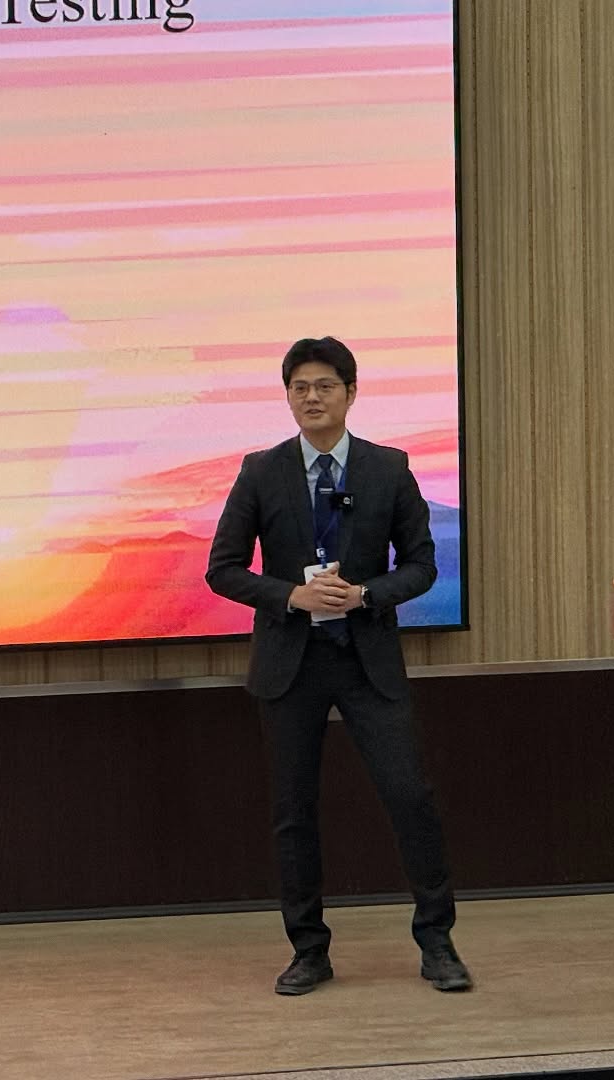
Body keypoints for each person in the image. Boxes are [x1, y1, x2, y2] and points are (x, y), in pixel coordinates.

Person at [205, 335, 471, 995]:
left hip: (365, 659)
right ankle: (309, 950)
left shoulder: (388, 468)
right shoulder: (260, 472)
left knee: (410, 796)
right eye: (299, 387)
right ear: (288, 397)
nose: (312, 397)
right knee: (293, 811)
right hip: (289, 664)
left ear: (350, 393)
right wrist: (290, 596)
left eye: (325, 385)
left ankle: (437, 942)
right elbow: (223, 569)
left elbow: (421, 564)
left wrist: (366, 595)